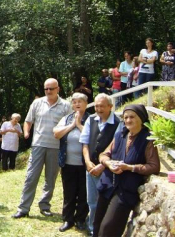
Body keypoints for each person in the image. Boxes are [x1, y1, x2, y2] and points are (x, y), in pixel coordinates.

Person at [93, 104, 160, 237]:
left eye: (132, 117)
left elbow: (154, 166)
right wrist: (108, 163)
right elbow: (104, 154)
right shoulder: (120, 135)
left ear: (141, 118)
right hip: (108, 185)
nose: (128, 120)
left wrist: (130, 167)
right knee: (97, 224)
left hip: (125, 191)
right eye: (126, 117)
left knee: (108, 229)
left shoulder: (148, 140)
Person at [13, 78, 70, 219]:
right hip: (38, 144)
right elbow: (28, 121)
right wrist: (26, 132)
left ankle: (45, 206)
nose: (49, 91)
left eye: (51, 88)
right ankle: (24, 208)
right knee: (31, 177)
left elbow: (70, 124)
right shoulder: (37, 103)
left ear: (58, 89)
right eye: (46, 89)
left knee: (50, 179)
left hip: (56, 146)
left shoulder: (65, 106)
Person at [79, 93, 120, 237]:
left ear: (110, 106)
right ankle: (92, 229)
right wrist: (88, 162)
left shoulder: (118, 123)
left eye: (102, 106)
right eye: (96, 105)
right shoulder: (91, 119)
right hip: (90, 168)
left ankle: (102, 229)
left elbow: (117, 149)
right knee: (92, 201)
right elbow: (84, 143)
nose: (98, 109)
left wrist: (102, 166)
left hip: (107, 169)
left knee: (104, 201)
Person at [53, 93, 89, 233]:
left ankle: (80, 219)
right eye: (74, 102)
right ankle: (68, 219)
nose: (77, 104)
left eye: (80, 102)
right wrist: (72, 125)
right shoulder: (66, 118)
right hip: (68, 163)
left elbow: (93, 137)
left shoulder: (91, 119)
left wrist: (79, 125)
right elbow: (56, 134)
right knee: (69, 192)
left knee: (83, 193)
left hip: (85, 164)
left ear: (86, 103)